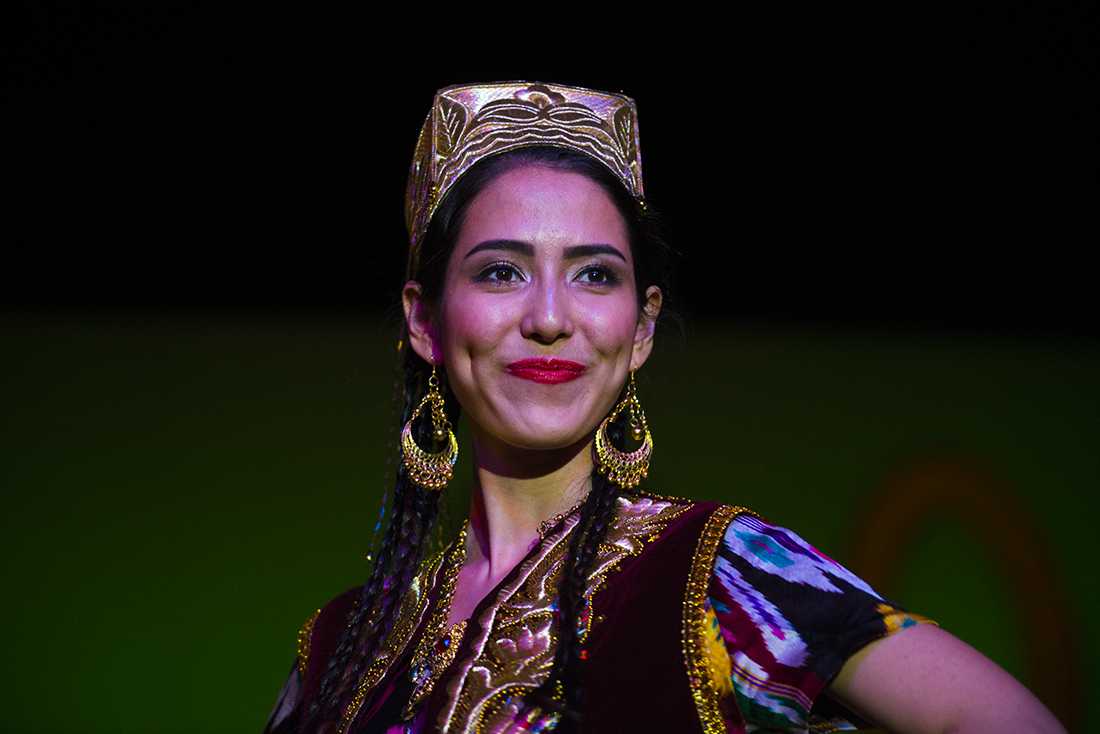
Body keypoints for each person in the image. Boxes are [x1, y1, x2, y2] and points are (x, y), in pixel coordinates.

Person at [263, 81, 1065, 734]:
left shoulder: (719, 574)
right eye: (502, 271)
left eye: (594, 275)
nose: (549, 316)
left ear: (641, 329)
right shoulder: (339, 646)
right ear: (425, 321)